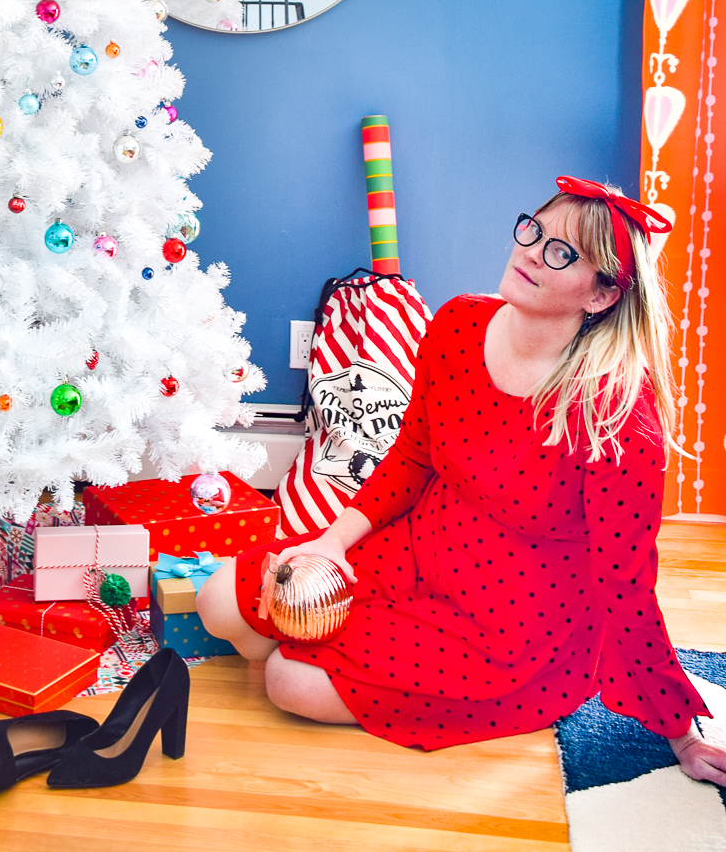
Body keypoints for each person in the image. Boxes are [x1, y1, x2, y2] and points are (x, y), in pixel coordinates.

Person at [197, 177, 726, 784]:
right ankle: (328, 650)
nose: (530, 251)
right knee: (220, 602)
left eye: (563, 253)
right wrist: (329, 543)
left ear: (602, 295)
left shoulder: (616, 415)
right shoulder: (456, 325)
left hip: (514, 625)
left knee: (285, 680)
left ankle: (338, 662)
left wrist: (680, 731)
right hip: (420, 550)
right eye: (535, 230)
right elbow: (410, 460)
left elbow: (626, 583)